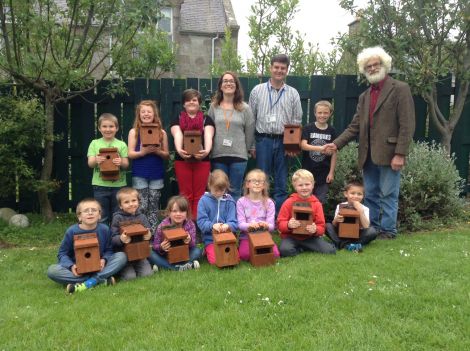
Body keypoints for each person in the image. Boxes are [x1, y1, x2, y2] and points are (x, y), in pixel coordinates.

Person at [324, 47, 415, 239]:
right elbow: (355, 126)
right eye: (368, 66)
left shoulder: (400, 89)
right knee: (371, 194)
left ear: (384, 65)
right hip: (367, 154)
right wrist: (336, 144)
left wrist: (400, 154)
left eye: (376, 64)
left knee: (389, 194)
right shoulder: (364, 96)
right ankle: (372, 229)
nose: (372, 68)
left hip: (390, 153)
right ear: (364, 70)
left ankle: (388, 231)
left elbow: (407, 124)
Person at [249, 54, 303, 213]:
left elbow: (296, 121)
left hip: (283, 142)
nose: (279, 71)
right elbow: (251, 120)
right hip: (263, 140)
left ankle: (279, 218)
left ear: (287, 70)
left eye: (283, 68)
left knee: (281, 182)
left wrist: (292, 145)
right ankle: (260, 218)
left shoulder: (293, 93)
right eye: (276, 67)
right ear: (270, 68)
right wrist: (252, 145)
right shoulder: (257, 91)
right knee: (260, 181)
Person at [47, 198, 127, 294]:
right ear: (79, 216)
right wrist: (71, 266)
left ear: (99, 215)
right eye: (86, 211)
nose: (90, 213)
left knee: (121, 256)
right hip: (78, 270)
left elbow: (109, 250)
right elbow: (62, 254)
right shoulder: (71, 231)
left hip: (99, 267)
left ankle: (87, 282)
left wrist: (104, 260)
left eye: (93, 210)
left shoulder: (104, 229)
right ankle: (98, 280)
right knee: (52, 270)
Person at [208, 71, 255, 202]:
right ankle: (220, 221)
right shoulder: (214, 107)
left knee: (235, 191)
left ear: (236, 85)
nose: (228, 83)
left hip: (239, 156)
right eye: (225, 81)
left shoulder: (245, 108)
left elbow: (249, 131)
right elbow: (208, 129)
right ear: (221, 86)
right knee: (219, 190)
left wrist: (245, 149)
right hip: (218, 155)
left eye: (231, 81)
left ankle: (233, 221)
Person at [171, 89, 215, 220]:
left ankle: (198, 223)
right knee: (186, 194)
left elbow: (208, 135)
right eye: (188, 100)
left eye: (194, 100)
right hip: (182, 160)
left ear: (199, 103)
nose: (191, 102)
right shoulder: (177, 118)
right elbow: (177, 134)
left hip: (202, 160)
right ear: (183, 104)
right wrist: (180, 150)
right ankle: (186, 222)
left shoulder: (206, 119)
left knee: (200, 194)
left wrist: (206, 150)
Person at [128, 100, 169, 232]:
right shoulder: (134, 132)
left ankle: (153, 233)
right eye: (143, 112)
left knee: (154, 205)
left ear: (154, 114)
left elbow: (166, 155)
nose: (146, 114)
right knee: (141, 205)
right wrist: (142, 152)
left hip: (156, 174)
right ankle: (140, 231)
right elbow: (130, 154)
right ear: (139, 114)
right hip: (139, 173)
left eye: (149, 112)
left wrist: (157, 151)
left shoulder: (161, 133)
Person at [277, 169, 336, 257]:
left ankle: (304, 247)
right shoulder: (288, 202)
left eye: (307, 184)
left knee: (330, 251)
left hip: (310, 237)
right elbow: (280, 223)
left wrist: (315, 229)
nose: (304, 187)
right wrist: (288, 225)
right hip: (291, 237)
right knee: (285, 250)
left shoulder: (317, 204)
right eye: (300, 185)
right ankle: (301, 248)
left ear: (313, 185)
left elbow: (321, 227)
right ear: (295, 186)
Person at [87, 113, 129, 224]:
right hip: (100, 185)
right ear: (99, 128)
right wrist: (96, 160)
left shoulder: (121, 144)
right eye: (104, 126)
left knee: (117, 215)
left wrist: (121, 162)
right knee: (102, 215)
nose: (108, 129)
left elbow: (126, 164)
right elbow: (90, 163)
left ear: (117, 128)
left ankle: (116, 238)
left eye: (111, 126)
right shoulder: (95, 143)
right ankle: (104, 238)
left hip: (118, 185)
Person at [236, 169, 280, 261]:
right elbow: (240, 224)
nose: (257, 183)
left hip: (264, 235)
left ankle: (261, 250)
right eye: (254, 181)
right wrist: (250, 226)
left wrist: (265, 225)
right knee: (244, 255)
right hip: (247, 237)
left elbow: (272, 226)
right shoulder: (241, 202)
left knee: (275, 254)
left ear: (264, 185)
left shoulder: (269, 202)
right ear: (247, 184)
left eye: (260, 181)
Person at [110, 187, 153, 280]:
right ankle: (119, 271)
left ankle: (146, 266)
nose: (131, 204)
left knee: (147, 275)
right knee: (130, 277)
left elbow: (149, 232)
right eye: (126, 202)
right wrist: (121, 239)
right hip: (125, 256)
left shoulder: (142, 217)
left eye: (134, 200)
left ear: (138, 202)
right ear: (120, 206)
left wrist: (149, 235)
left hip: (140, 255)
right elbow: (112, 238)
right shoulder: (118, 218)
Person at [149, 196, 202, 271]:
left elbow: (193, 244)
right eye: (174, 211)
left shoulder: (190, 224)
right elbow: (155, 246)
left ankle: (168, 267)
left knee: (197, 251)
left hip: (183, 255)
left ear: (186, 213)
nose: (178, 214)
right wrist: (161, 247)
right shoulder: (162, 226)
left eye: (182, 211)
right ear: (169, 213)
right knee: (150, 254)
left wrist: (189, 241)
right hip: (166, 256)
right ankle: (184, 266)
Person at [197, 169, 238, 265]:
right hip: (210, 238)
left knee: (234, 259)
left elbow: (234, 222)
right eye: (216, 190)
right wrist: (212, 226)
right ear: (209, 185)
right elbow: (201, 222)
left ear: (226, 188)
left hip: (228, 238)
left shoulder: (230, 201)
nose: (219, 193)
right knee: (216, 261)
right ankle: (207, 250)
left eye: (222, 190)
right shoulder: (203, 201)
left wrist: (228, 225)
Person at [300, 100, 337, 204]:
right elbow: (303, 145)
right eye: (320, 112)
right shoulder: (308, 128)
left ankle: (318, 220)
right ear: (315, 113)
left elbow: (334, 152)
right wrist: (321, 149)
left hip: (324, 172)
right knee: (306, 199)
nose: (322, 115)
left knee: (320, 200)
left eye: (325, 113)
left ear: (330, 113)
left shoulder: (332, 131)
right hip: (307, 170)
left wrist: (331, 172)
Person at [325, 181, 378, 251]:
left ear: (363, 196)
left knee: (372, 231)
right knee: (327, 225)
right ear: (346, 194)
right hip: (341, 233)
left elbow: (366, 226)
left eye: (359, 194)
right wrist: (336, 220)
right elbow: (334, 224)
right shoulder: (340, 206)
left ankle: (341, 244)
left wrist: (361, 211)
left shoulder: (365, 208)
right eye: (352, 193)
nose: (355, 196)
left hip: (357, 235)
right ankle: (348, 245)